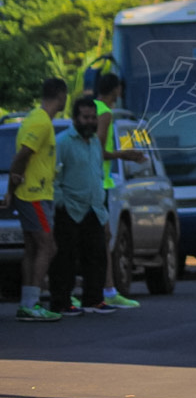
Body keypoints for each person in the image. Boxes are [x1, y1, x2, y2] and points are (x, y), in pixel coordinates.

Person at [3, 78, 67, 321]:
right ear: (61, 96)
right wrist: (11, 187)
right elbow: (22, 156)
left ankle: (27, 302)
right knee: (47, 246)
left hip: (34, 193)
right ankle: (32, 302)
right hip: (34, 194)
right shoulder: (40, 122)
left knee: (33, 248)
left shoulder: (35, 118)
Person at [48, 96, 116, 316]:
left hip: (93, 208)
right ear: (75, 118)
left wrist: (100, 205)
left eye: (93, 117)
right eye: (85, 117)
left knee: (97, 254)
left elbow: (96, 173)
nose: (90, 122)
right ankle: (61, 302)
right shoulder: (63, 142)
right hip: (70, 208)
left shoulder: (95, 141)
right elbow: (54, 177)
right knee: (65, 259)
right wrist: (62, 204)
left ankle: (94, 299)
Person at [94, 73, 146, 308]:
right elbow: (97, 150)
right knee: (104, 238)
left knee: (97, 237)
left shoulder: (90, 107)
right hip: (99, 183)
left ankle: (103, 289)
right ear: (115, 89)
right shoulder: (104, 112)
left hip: (92, 181)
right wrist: (126, 154)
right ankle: (107, 290)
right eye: (119, 89)